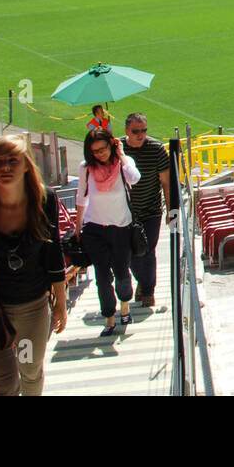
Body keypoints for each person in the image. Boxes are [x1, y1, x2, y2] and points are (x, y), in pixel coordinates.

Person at [0, 134, 66, 396]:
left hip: (30, 306)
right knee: (5, 383)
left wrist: (61, 302)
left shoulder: (45, 200)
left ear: (27, 164)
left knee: (30, 371)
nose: (5, 168)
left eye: (12, 161)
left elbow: (53, 255)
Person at [76, 128, 140, 337]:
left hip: (120, 227)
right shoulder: (86, 168)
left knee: (122, 272)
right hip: (94, 228)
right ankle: (109, 318)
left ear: (111, 145)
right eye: (95, 151)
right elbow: (81, 196)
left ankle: (125, 307)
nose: (100, 154)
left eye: (103, 149)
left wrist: (121, 155)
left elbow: (135, 178)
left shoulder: (123, 163)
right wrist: (78, 225)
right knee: (102, 277)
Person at [123, 113, 179, 308]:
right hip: (125, 214)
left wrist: (172, 210)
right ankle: (143, 281)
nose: (140, 134)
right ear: (127, 131)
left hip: (151, 210)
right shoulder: (119, 149)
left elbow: (166, 182)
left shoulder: (155, 149)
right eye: (136, 131)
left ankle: (148, 291)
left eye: (144, 130)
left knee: (147, 251)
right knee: (130, 254)